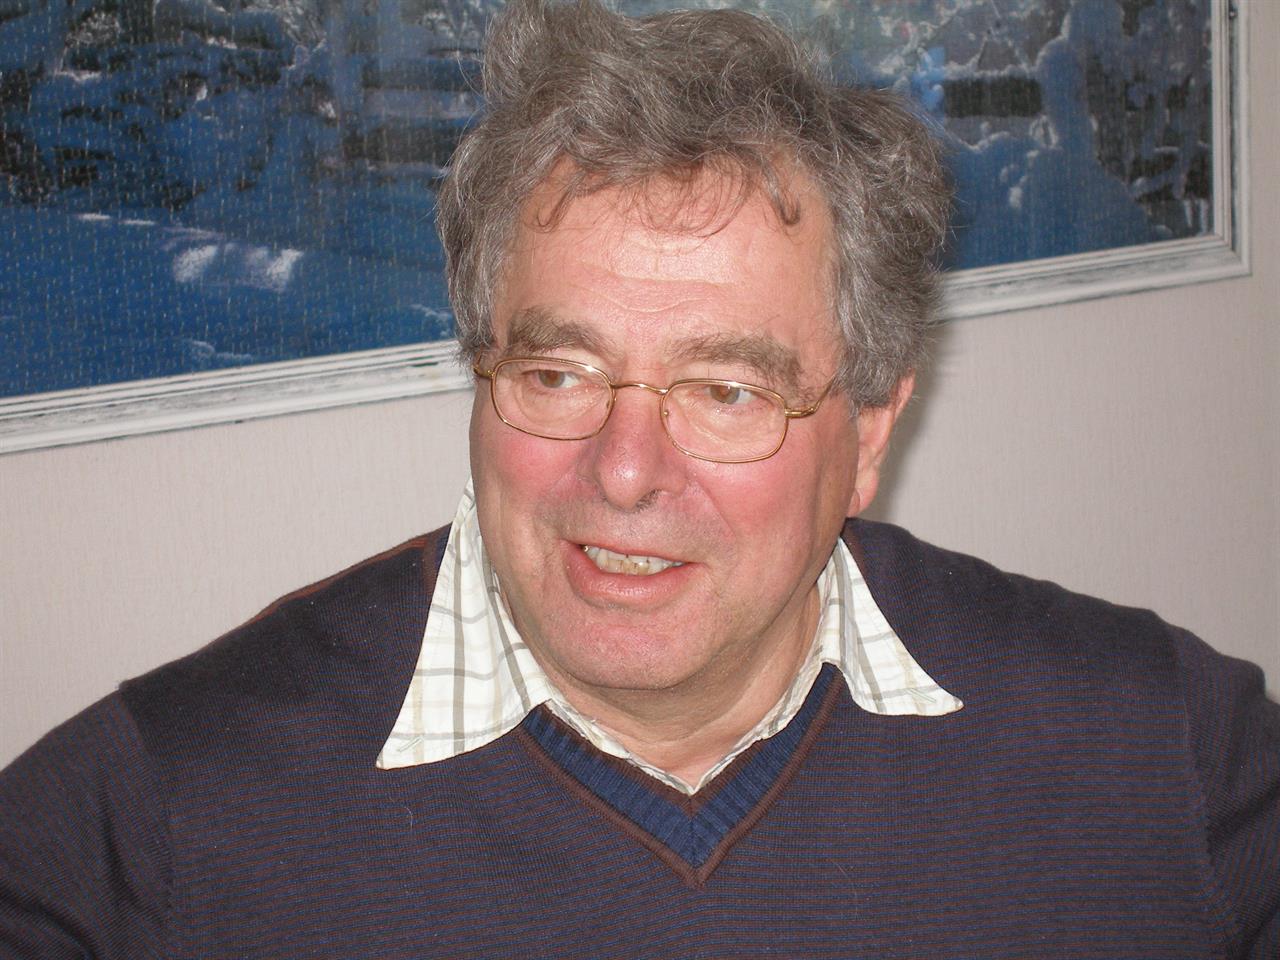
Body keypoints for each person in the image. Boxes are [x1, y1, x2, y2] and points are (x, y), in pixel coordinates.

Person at [2, 0, 1276, 956]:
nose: (620, 471)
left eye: (726, 392)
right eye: (558, 373)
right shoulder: (151, 823)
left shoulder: (1165, 753)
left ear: (867, 436)